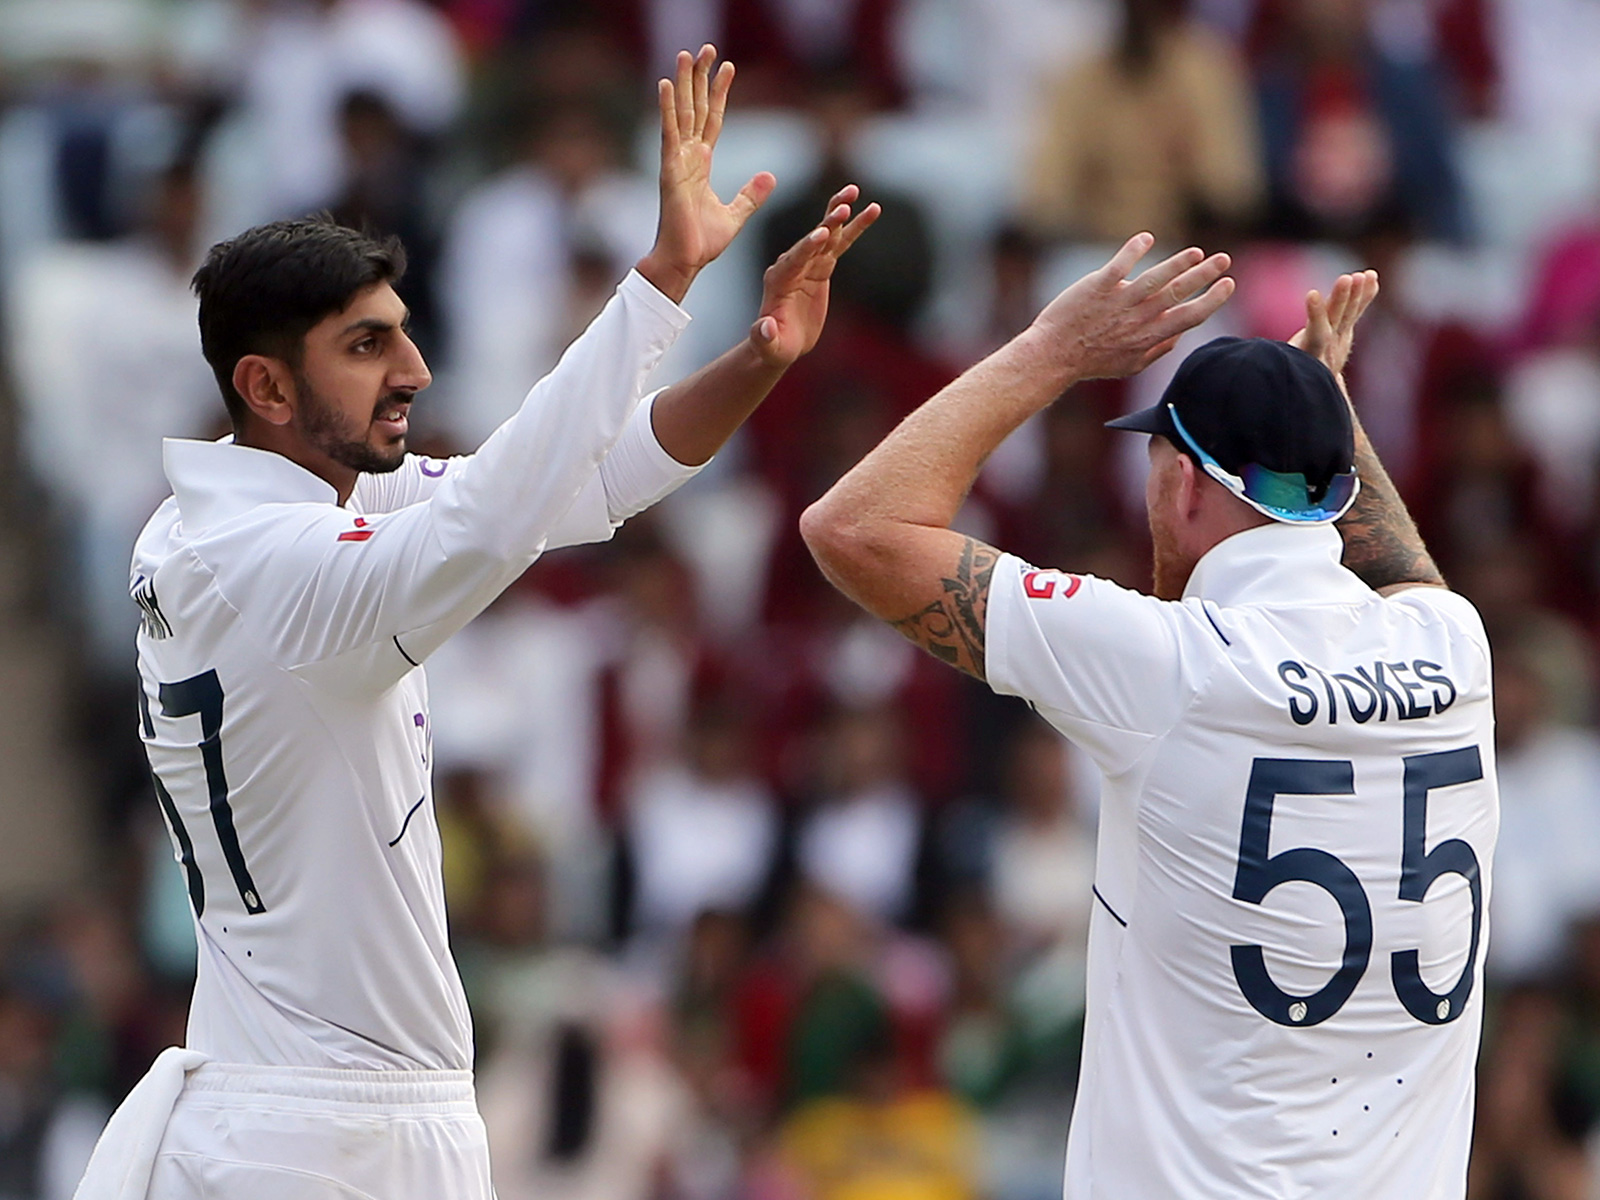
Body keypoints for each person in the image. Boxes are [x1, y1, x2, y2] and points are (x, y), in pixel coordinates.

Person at [73, 45, 878, 1200]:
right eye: (365, 346)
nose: (412, 369)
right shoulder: (285, 567)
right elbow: (498, 519)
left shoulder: (220, 520)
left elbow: (577, 488)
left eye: (400, 331)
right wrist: (659, 281)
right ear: (264, 388)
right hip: (330, 1134)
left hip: (291, 1112)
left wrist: (757, 357)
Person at [801, 236, 1497, 1197]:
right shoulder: (1455, 648)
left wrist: (1049, 348)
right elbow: (1396, 563)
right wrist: (1322, 406)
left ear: (1181, 482)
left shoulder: (1170, 667)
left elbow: (852, 528)